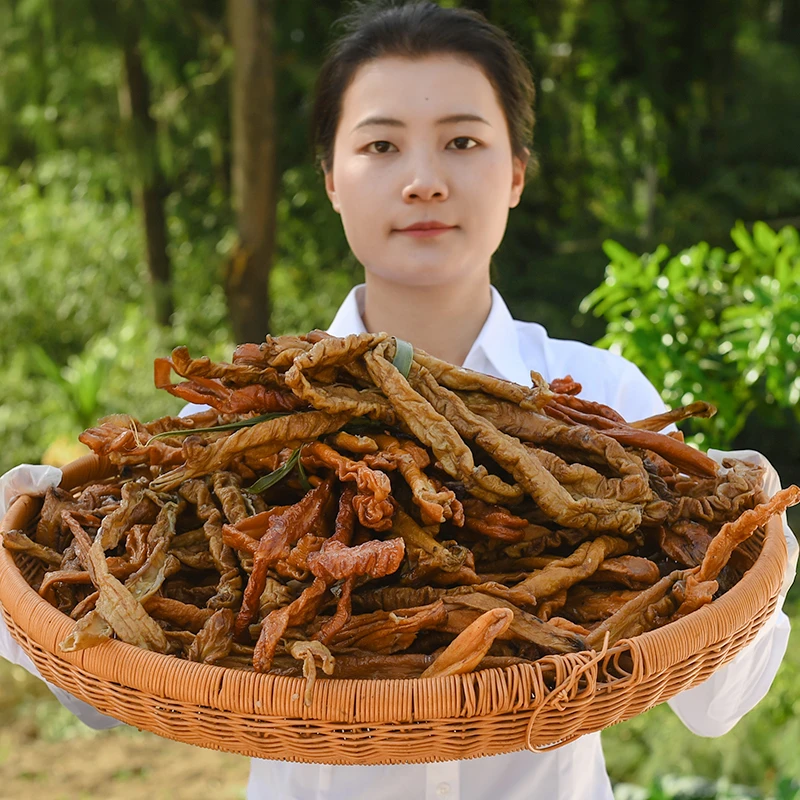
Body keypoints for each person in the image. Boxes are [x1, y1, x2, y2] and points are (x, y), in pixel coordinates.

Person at [0, 2, 796, 799]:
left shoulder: (609, 401)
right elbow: (97, 688)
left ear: (516, 172)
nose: (423, 181)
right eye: (381, 145)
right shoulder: (238, 426)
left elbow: (718, 704)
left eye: (463, 142)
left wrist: (749, 533)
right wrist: (32, 545)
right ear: (331, 180)